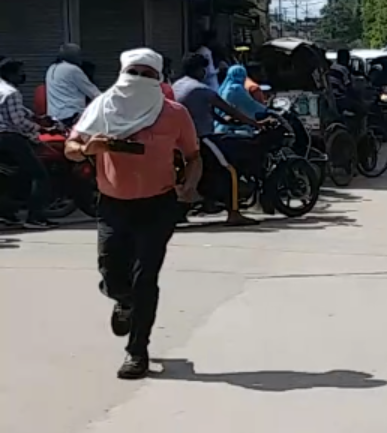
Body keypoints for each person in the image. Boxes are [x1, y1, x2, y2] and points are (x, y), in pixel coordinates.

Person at [66, 49, 201, 380]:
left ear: (158, 78)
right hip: (113, 204)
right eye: (133, 72)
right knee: (112, 271)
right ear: (122, 73)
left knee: (145, 278)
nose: (139, 79)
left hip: (158, 205)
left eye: (147, 73)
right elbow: (71, 148)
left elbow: (193, 155)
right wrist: (87, 150)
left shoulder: (174, 114)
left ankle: (136, 351)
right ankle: (123, 301)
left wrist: (190, 185)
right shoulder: (101, 108)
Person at [174, 54, 258, 221]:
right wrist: (255, 123)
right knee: (230, 170)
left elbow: (210, 112)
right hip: (201, 137)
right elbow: (229, 110)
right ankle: (234, 213)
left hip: (180, 139)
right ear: (199, 70)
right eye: (204, 68)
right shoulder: (201, 89)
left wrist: (226, 120)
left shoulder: (178, 85)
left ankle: (206, 203)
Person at [0, 57, 52, 228]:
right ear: (10, 74)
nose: (23, 76)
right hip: (9, 138)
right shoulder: (11, 92)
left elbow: (22, 112)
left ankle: (7, 214)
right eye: (20, 73)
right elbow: (18, 122)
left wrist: (38, 118)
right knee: (40, 175)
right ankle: (35, 217)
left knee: (11, 176)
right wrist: (38, 129)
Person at [44, 43, 101, 129]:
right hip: (72, 116)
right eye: (78, 55)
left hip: (55, 117)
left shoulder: (51, 68)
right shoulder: (73, 70)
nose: (80, 58)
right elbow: (94, 93)